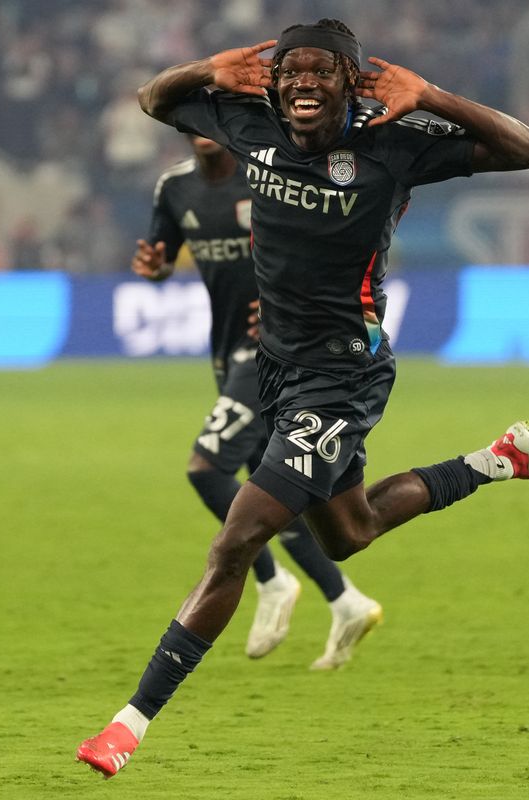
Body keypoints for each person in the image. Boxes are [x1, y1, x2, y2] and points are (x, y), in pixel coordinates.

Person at [77, 19, 529, 779]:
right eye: (291, 72)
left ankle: (126, 726)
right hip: (276, 367)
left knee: (236, 538)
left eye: (323, 73)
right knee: (349, 532)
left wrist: (432, 95)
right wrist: (209, 66)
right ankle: (499, 459)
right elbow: (152, 99)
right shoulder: (249, 121)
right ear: (272, 84)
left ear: (354, 82)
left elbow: (528, 148)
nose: (304, 84)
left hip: (341, 378)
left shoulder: (395, 139)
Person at [132, 132, 383, 667]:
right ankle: (346, 600)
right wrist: (154, 267)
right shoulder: (173, 188)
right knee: (277, 490)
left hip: (277, 350)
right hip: (228, 353)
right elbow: (160, 258)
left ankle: (268, 581)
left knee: (207, 467)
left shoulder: (270, 173)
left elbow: (330, 240)